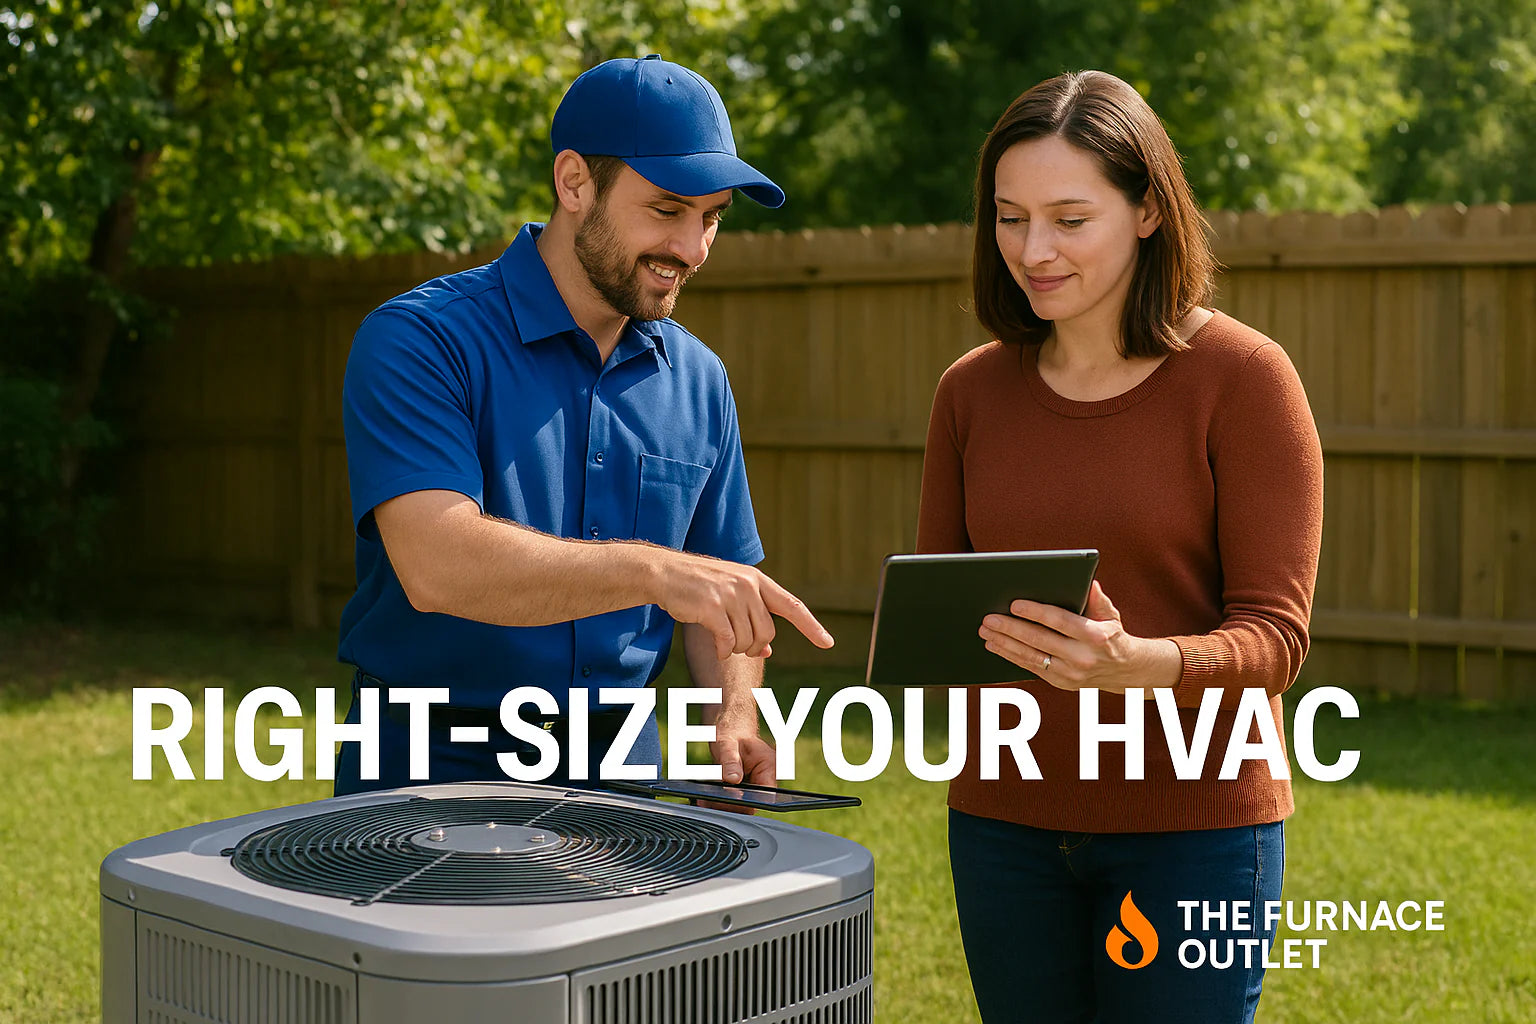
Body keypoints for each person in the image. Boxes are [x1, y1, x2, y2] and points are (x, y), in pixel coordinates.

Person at [917, 71, 1323, 1023]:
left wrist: (1144, 666)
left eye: (1069, 218)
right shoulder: (970, 393)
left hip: (1194, 830)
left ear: (1147, 210)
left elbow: (1276, 638)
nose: (1033, 250)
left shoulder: (1245, 380)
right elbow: (944, 615)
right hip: (1003, 827)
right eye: (1010, 219)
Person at [332, 55, 833, 798]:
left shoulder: (700, 381)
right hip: (432, 762)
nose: (692, 250)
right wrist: (658, 572)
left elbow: (718, 590)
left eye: (712, 218)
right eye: (667, 210)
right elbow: (436, 564)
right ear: (575, 183)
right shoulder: (421, 340)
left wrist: (732, 716)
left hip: (624, 767)